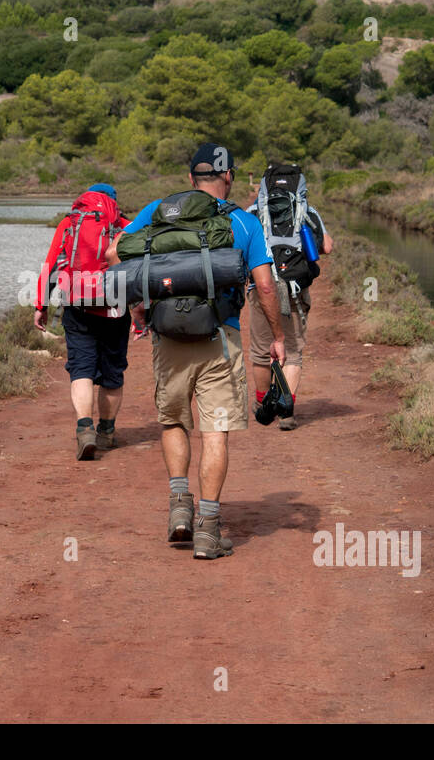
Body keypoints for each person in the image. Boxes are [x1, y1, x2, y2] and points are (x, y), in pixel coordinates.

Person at [107, 144, 285, 560]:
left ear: (191, 179)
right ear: (230, 177)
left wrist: (141, 306)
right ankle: (208, 530)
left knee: (173, 421)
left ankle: (178, 511)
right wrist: (277, 335)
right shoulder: (242, 221)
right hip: (219, 337)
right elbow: (264, 285)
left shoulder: (159, 210)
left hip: (167, 337)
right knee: (214, 430)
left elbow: (116, 253)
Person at [34, 183, 131, 461]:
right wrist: (142, 312)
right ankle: (107, 432)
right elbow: (139, 269)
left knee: (81, 369)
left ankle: (85, 429)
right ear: (113, 201)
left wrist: (40, 305)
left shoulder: (69, 223)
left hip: (77, 307)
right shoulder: (125, 225)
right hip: (115, 308)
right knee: (112, 374)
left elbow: (51, 264)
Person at [245, 164, 333, 431]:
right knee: (293, 353)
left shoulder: (252, 212)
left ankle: (263, 404)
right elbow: (326, 247)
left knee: (261, 351)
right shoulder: (307, 210)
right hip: (296, 288)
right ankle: (287, 412)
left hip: (261, 288)